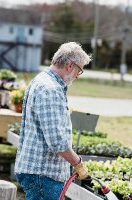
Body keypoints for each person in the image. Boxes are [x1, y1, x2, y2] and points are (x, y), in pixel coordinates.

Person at [14, 42, 92, 200]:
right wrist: (78, 163)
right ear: (70, 65)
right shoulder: (50, 89)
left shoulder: (42, 80)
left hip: (38, 174)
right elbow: (57, 142)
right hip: (43, 175)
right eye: (80, 70)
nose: (78, 75)